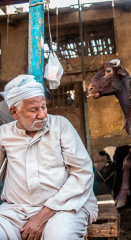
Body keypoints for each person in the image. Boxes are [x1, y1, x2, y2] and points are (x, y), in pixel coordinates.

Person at [0, 75, 98, 240]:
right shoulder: (3, 134)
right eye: (34, 110)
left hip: (65, 207)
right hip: (16, 211)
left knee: (60, 235)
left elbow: (82, 172)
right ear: (14, 112)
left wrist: (44, 213)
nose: (42, 115)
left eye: (44, 107)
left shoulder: (61, 126)